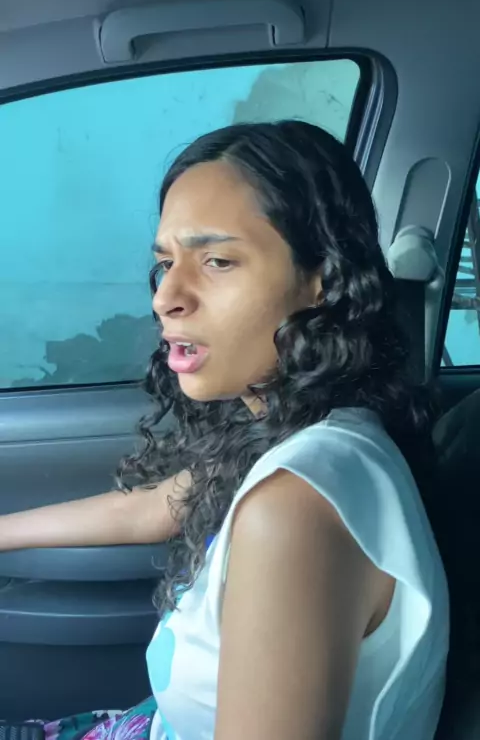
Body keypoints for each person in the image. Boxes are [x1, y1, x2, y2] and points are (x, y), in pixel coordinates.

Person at [0, 120, 449, 740]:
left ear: (321, 279)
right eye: (166, 263)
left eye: (217, 261)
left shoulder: (296, 505)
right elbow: (154, 506)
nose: (166, 297)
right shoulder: (304, 427)